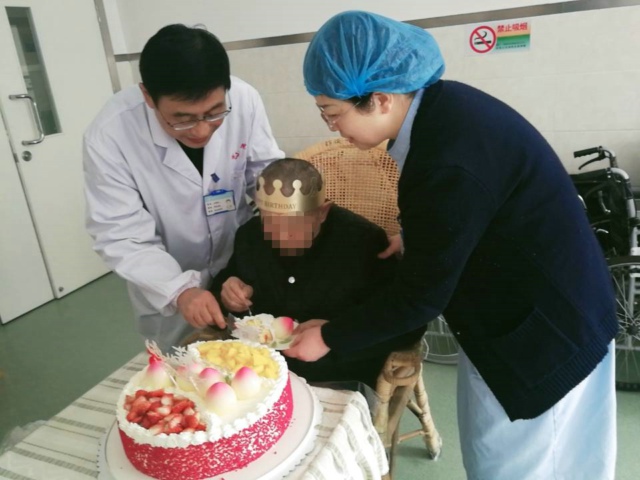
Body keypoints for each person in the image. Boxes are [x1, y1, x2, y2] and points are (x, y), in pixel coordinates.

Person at [290, 10, 618, 479]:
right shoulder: (446, 107)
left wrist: (329, 336)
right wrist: (420, 237)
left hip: (544, 335)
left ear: (380, 99)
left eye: (332, 113)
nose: (332, 127)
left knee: (523, 466)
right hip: (552, 303)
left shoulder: (443, 158)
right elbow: (479, 203)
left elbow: (421, 297)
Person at [84, 24, 284, 352]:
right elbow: (121, 234)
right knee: (186, 365)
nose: (202, 130)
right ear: (148, 96)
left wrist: (287, 223)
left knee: (259, 357)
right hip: (167, 278)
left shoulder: (244, 99)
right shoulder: (111, 134)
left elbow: (266, 173)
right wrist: (179, 291)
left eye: (214, 113)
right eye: (182, 119)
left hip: (241, 269)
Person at [209, 158, 424, 388]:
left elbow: (407, 323)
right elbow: (225, 291)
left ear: (322, 212)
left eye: (294, 225)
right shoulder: (250, 237)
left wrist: (335, 334)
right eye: (269, 222)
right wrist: (228, 295)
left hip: (338, 377)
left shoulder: (363, 241)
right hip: (258, 375)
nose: (281, 236)